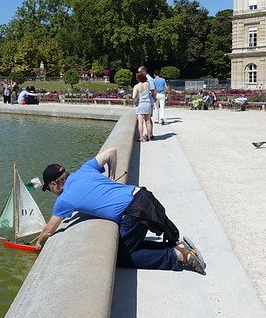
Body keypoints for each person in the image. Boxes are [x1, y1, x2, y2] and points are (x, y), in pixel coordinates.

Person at [36, 147, 206, 274]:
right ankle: (179, 247)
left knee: (121, 256)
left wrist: (38, 244)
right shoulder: (85, 169)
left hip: (135, 212)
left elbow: (49, 230)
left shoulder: (64, 199)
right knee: (130, 243)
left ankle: (179, 256)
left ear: (54, 185)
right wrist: (111, 176)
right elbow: (111, 151)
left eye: (50, 189)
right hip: (144, 196)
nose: (52, 193)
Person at [132, 71, 153, 141]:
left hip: (140, 104)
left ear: (137, 78)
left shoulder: (136, 86)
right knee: (148, 121)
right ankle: (149, 137)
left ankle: (141, 137)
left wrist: (134, 101)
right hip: (147, 103)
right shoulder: (147, 84)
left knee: (140, 122)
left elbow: (133, 96)